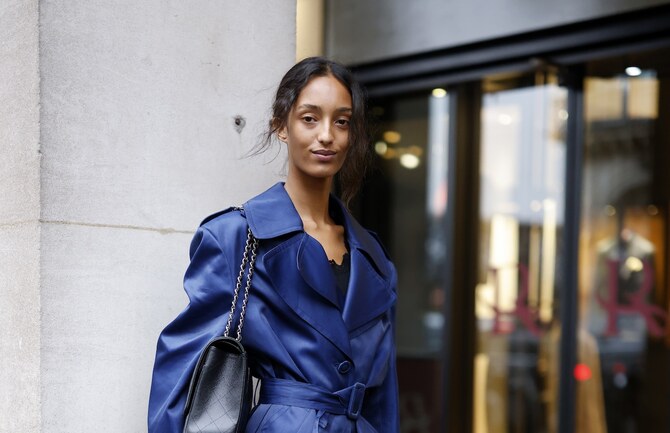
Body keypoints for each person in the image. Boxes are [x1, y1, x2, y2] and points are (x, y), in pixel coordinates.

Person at [148, 57, 399, 433]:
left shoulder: (374, 257)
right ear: (281, 126)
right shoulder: (236, 237)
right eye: (310, 118)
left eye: (342, 121)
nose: (327, 135)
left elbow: (384, 395)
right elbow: (180, 374)